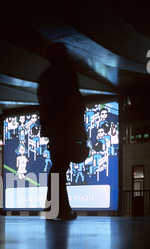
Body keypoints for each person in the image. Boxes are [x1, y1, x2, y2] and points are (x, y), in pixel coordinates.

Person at [37, 42, 87, 220]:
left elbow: (45, 107)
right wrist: (81, 134)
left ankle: (54, 207)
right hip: (67, 129)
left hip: (54, 130)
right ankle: (59, 209)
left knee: (57, 167)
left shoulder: (45, 77)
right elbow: (75, 105)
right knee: (60, 168)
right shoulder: (68, 75)